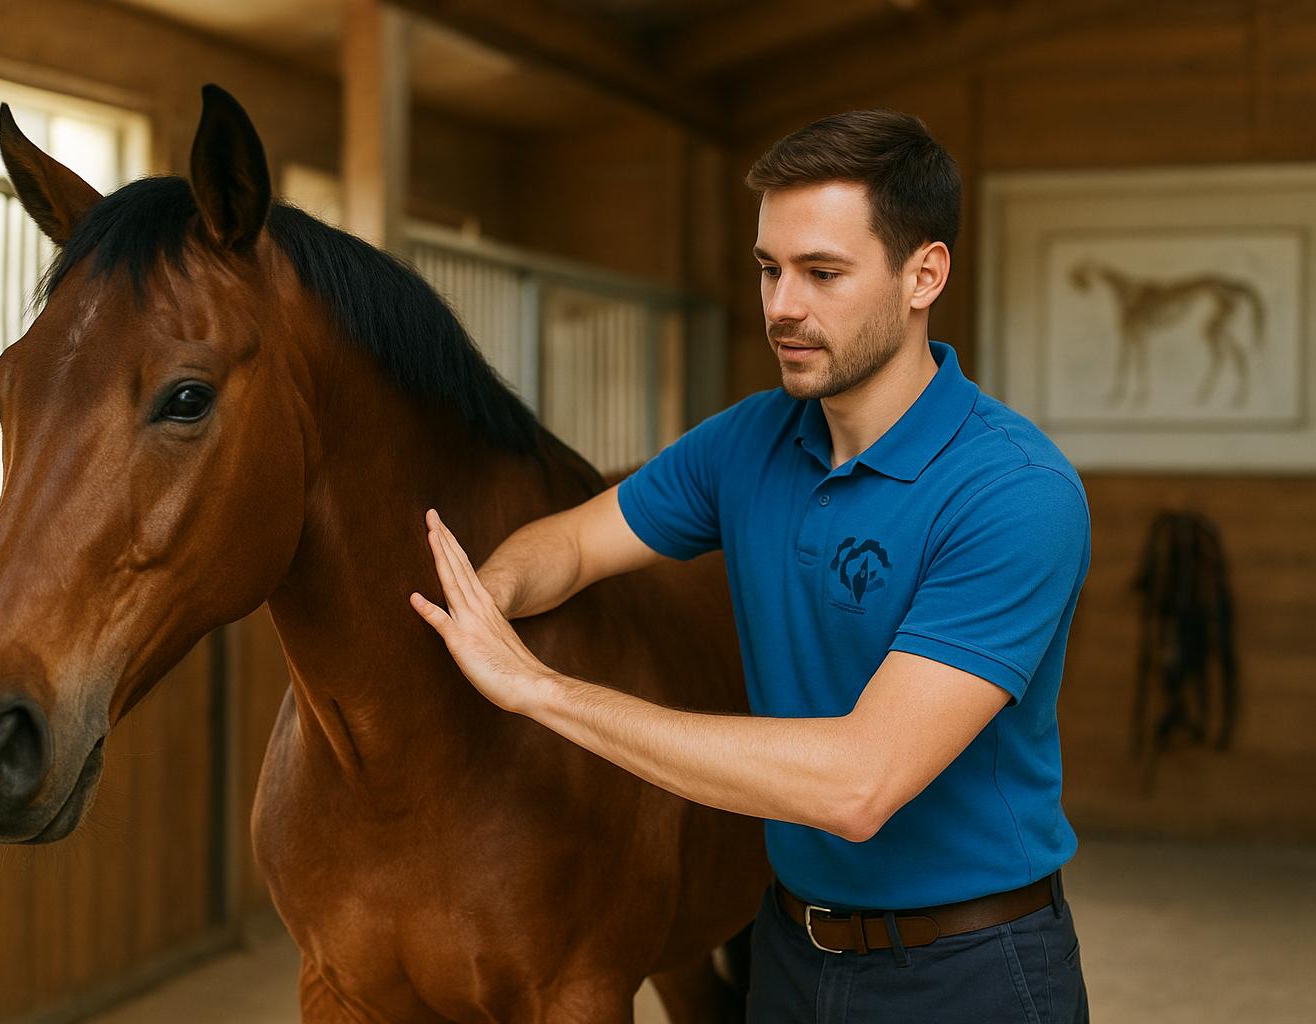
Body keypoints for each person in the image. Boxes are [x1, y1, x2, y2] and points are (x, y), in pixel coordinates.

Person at [409, 109, 1090, 1023]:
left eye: (822, 273)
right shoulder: (747, 443)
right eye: (769, 268)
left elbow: (857, 786)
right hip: (790, 956)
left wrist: (540, 690)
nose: (780, 306)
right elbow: (570, 542)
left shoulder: (1013, 491)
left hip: (968, 968)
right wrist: (487, 602)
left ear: (924, 274)